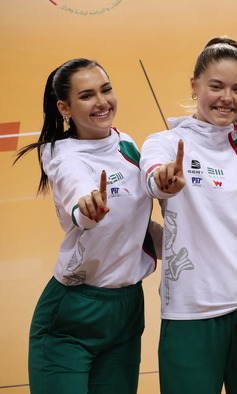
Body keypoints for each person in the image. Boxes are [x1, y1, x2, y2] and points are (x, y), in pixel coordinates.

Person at [140, 37, 237, 394]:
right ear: (194, 86)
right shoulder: (165, 143)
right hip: (190, 314)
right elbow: (154, 179)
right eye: (216, 86)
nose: (227, 97)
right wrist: (165, 180)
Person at [15, 58, 159, 394]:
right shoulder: (60, 153)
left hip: (126, 311)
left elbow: (136, 227)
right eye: (87, 95)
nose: (102, 101)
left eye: (106, 90)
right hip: (72, 313)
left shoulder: (129, 145)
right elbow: (75, 187)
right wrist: (87, 210)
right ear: (64, 107)